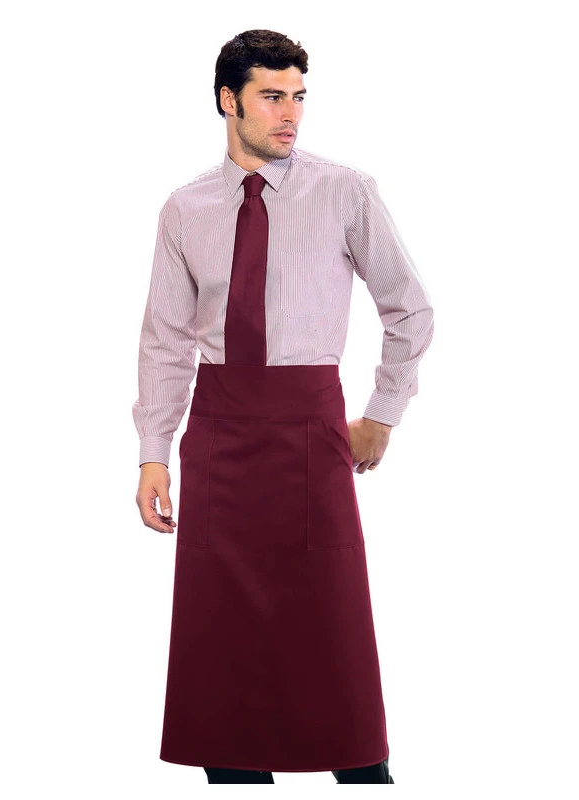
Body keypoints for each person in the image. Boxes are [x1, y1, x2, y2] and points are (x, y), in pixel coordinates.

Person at [132, 29, 434, 785]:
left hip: (311, 436)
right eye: (271, 97)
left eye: (298, 96)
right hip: (219, 440)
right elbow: (165, 340)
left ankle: (363, 775)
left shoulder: (345, 192)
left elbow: (410, 309)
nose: (290, 113)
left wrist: (381, 414)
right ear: (228, 101)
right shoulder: (185, 209)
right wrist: (152, 453)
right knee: (223, 647)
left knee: (331, 629)